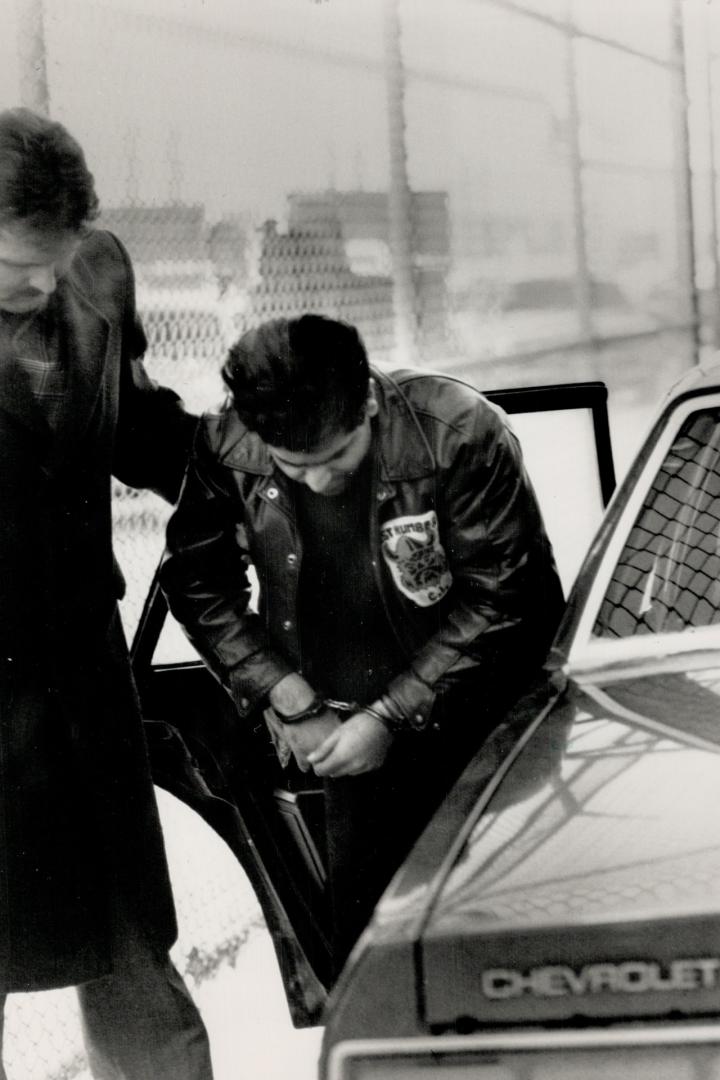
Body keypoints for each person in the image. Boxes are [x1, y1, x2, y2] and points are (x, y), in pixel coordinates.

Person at [161, 313, 565, 974]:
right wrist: (284, 693)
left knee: (505, 946)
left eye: (338, 457)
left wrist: (390, 713)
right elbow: (198, 581)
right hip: (349, 738)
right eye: (296, 466)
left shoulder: (457, 431)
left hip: (486, 718)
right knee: (373, 959)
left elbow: (505, 597)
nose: (320, 481)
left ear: (369, 405)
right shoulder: (229, 443)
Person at [0, 108, 213, 1079]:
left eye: (56, 257)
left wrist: (251, 466)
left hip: (83, 691)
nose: (41, 285)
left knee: (135, 964)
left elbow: (133, 425)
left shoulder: (98, 271)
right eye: (14, 268)